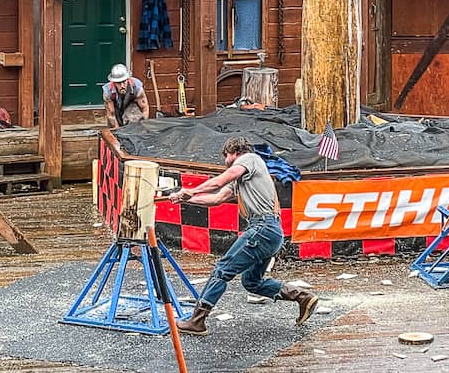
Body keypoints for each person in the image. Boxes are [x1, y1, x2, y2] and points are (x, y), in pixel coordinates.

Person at [169, 136, 319, 335]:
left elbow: (222, 178)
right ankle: (302, 296)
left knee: (222, 270)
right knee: (252, 282)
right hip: (271, 232)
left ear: (233, 152)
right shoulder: (243, 179)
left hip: (262, 228)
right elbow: (217, 199)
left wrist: (192, 190)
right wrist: (185, 199)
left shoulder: (250, 159)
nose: (225, 162)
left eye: (226, 157)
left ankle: (197, 321)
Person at [103, 64, 150, 129]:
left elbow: (144, 109)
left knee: (134, 119)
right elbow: (111, 114)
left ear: (128, 79)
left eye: (124, 82)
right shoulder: (108, 92)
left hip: (131, 107)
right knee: (113, 129)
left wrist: (143, 127)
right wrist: (117, 130)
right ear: (113, 82)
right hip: (115, 107)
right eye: (118, 83)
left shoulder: (137, 88)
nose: (122, 86)